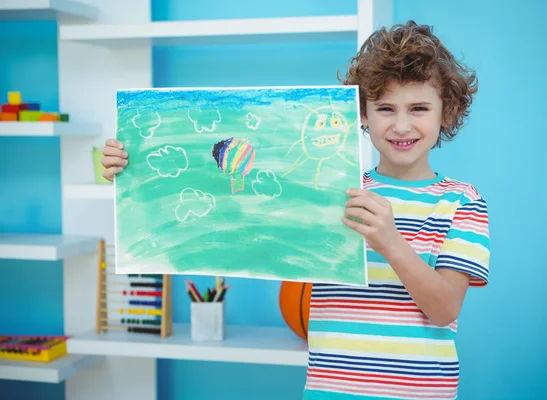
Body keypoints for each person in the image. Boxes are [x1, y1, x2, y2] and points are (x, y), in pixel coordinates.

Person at [101, 20, 490, 400]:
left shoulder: (460, 202)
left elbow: (443, 309)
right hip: (329, 389)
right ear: (362, 114)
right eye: (385, 108)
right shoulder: (333, 189)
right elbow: (232, 207)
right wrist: (133, 171)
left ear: (448, 111)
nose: (401, 125)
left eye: (418, 108)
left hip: (418, 393)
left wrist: (391, 241)